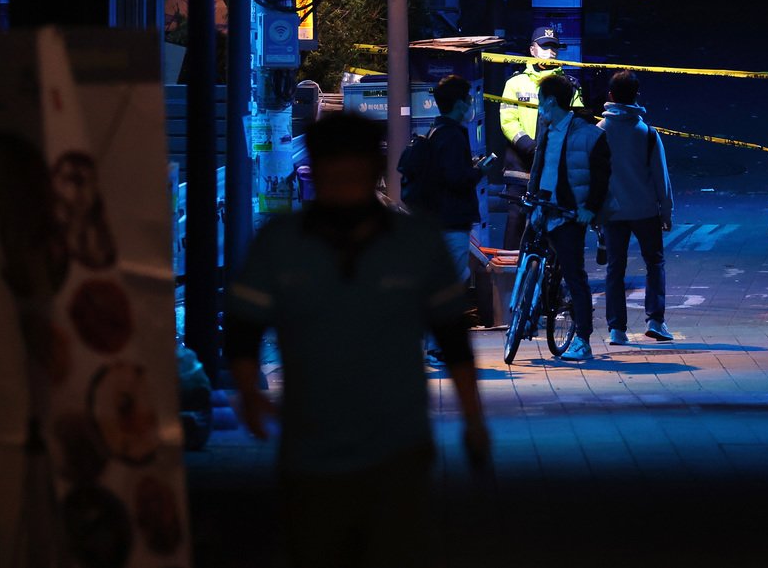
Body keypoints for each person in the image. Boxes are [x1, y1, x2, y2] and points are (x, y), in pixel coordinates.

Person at [224, 112, 489, 567]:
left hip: (397, 444)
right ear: (315, 172)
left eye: (354, 173)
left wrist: (473, 418)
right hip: (310, 447)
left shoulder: (414, 242)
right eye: (334, 174)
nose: (345, 185)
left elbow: (452, 336)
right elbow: (244, 326)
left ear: (373, 170)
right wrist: (248, 392)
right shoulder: (281, 243)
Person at [528, 73, 611, 361]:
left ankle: (583, 339)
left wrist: (590, 208)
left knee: (575, 276)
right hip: (542, 207)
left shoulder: (588, 134)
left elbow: (602, 177)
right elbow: (539, 168)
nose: (539, 107)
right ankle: (528, 313)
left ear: (550, 101)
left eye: (540, 101)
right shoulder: (547, 129)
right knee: (529, 261)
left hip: (569, 214)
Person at [413, 75, 495, 360]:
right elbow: (455, 178)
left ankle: (432, 342)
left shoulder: (437, 131)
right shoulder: (452, 134)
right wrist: (479, 171)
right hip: (451, 219)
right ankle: (437, 343)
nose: (471, 103)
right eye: (469, 98)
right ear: (460, 103)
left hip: (437, 218)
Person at [596, 70, 675, 344]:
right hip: (645, 211)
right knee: (654, 262)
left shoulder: (599, 132)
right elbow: (660, 176)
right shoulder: (647, 133)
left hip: (612, 212)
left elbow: (594, 176)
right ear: (636, 96)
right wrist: (666, 210)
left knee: (615, 269)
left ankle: (617, 329)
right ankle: (655, 321)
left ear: (610, 96)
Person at [499, 26, 583, 249]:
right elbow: (508, 120)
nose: (550, 52)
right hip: (520, 163)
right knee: (516, 218)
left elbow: (578, 123)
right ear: (532, 50)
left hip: (552, 164)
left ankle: (547, 278)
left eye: (554, 47)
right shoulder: (515, 83)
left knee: (550, 221)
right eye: (545, 46)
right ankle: (509, 274)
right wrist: (527, 145)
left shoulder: (568, 85)